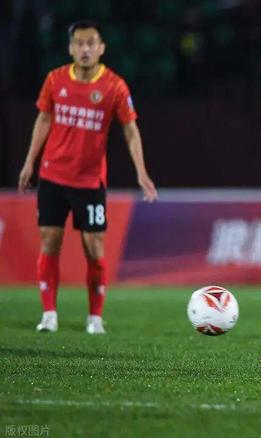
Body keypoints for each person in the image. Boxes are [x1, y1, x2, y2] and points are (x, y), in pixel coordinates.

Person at [17, 20, 158, 334]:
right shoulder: (55, 80)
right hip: (53, 175)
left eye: (91, 43)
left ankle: (95, 317)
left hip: (90, 181)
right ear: (70, 48)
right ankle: (49, 314)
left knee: (94, 247)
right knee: (49, 242)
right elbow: (43, 118)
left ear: (101, 48)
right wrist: (29, 162)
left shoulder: (114, 86)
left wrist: (141, 171)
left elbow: (130, 129)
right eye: (79, 43)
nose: (85, 49)